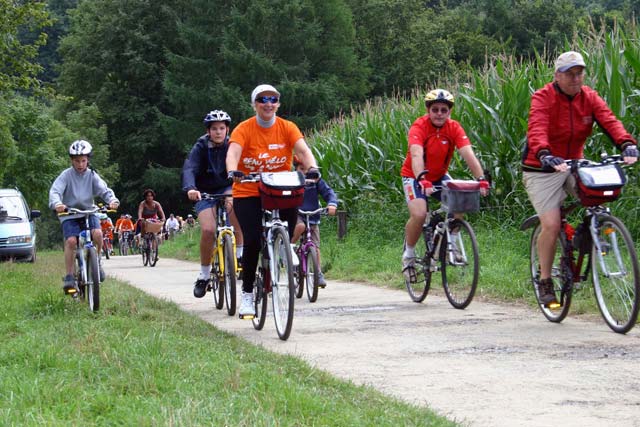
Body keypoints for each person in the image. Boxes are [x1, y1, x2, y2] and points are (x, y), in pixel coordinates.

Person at [523, 50, 638, 307]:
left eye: (579, 73)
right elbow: (537, 128)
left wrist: (627, 144)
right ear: (557, 76)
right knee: (551, 224)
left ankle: (586, 236)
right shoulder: (543, 98)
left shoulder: (589, 97)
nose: (575, 79)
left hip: (574, 163)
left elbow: (610, 121)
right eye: (569, 74)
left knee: (597, 197)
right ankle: (545, 281)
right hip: (541, 168)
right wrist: (544, 153)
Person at [226, 84, 320, 317]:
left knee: (288, 223)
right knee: (252, 241)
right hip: (247, 189)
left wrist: (313, 167)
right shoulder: (244, 129)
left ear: (278, 103)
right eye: (262, 99)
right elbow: (233, 153)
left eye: (273, 99)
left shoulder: (287, 127)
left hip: (277, 188)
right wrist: (232, 170)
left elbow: (304, 151)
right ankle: (247, 295)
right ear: (254, 104)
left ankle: (283, 248)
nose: (268, 103)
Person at [400, 89, 489, 283]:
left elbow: (468, 154)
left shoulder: (454, 127)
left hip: (439, 176)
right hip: (414, 176)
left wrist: (481, 178)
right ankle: (409, 254)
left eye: (444, 110)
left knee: (460, 201)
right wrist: (422, 179)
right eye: (435, 109)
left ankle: (452, 242)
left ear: (449, 112)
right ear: (428, 110)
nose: (439, 113)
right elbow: (416, 155)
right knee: (419, 214)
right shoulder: (419, 126)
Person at [182, 109, 246, 297]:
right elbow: (190, 168)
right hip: (203, 192)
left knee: (234, 207)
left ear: (227, 130)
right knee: (209, 230)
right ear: (208, 131)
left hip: (227, 187)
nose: (218, 132)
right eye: (214, 129)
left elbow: (243, 164)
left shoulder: (233, 145)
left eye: (222, 128)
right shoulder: (201, 146)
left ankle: (240, 255)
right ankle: (203, 275)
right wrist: (190, 188)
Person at [49, 140, 119, 293]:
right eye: (76, 161)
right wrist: (57, 204)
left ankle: (97, 261)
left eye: (83, 161)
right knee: (71, 241)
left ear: (88, 160)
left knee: (98, 233)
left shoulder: (92, 175)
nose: (80, 164)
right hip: (70, 214)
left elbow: (104, 190)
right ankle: (69, 276)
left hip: (89, 211)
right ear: (71, 161)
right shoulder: (66, 175)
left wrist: (112, 200)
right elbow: (55, 192)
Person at [290, 156, 338, 287]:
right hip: (298, 214)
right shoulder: (292, 180)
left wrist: (332, 204)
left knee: (315, 246)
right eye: (301, 169)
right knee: (299, 226)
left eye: (307, 169)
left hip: (312, 215)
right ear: (295, 169)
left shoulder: (316, 180)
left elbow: (328, 192)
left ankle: (318, 272)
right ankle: (290, 249)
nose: (305, 172)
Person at [137, 189, 166, 254]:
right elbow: (140, 212)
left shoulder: (156, 204)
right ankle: (142, 238)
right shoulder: (143, 204)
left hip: (153, 218)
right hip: (144, 218)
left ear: (153, 197)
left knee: (155, 233)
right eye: (148, 196)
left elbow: (161, 212)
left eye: (151, 196)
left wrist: (163, 218)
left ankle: (154, 252)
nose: (149, 197)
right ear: (145, 197)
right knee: (142, 223)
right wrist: (140, 218)